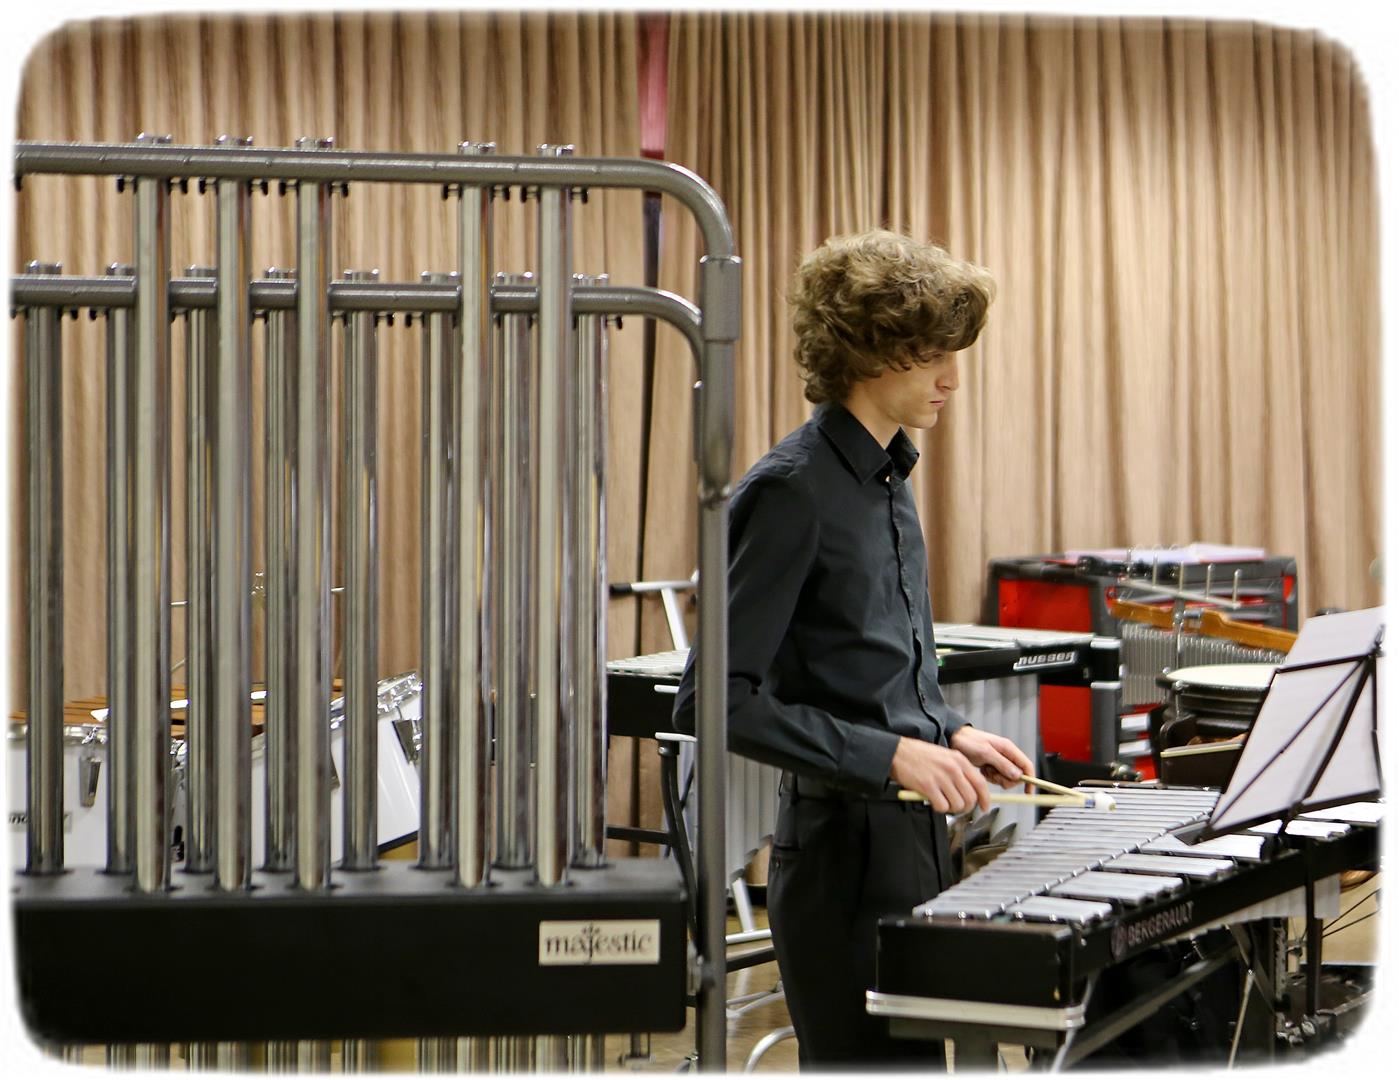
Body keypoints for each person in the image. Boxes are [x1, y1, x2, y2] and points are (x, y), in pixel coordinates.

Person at [673, 229, 1035, 1069]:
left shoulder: (886, 478)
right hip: (840, 858)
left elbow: (870, 664)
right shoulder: (791, 491)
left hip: (915, 840)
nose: (951, 378)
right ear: (868, 352)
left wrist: (945, 730)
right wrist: (889, 754)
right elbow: (714, 702)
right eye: (932, 355)